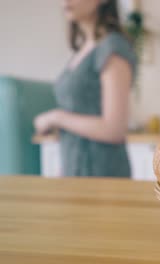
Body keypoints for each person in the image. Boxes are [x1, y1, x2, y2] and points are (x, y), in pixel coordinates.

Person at [34, 0, 137, 177]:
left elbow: (114, 128)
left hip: (103, 174)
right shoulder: (84, 50)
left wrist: (56, 118)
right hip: (75, 171)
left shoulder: (113, 46)